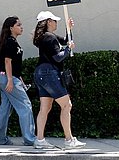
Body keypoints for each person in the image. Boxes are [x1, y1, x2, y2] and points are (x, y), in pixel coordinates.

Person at [32, 11, 84, 150]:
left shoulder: (46, 37)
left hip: (40, 73)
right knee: (67, 105)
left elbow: (66, 40)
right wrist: (68, 49)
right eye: (54, 20)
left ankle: (40, 140)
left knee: (45, 108)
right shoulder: (49, 37)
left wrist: (69, 29)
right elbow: (58, 57)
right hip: (50, 73)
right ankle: (69, 139)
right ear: (49, 22)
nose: (56, 23)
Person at [0, 16, 36, 146]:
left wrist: (19, 79)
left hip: (8, 78)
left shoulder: (10, 41)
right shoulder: (10, 42)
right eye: (18, 25)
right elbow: (7, 61)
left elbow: (15, 64)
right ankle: (30, 139)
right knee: (25, 106)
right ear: (11, 28)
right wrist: (11, 80)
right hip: (8, 78)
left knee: (5, 108)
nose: (21, 27)